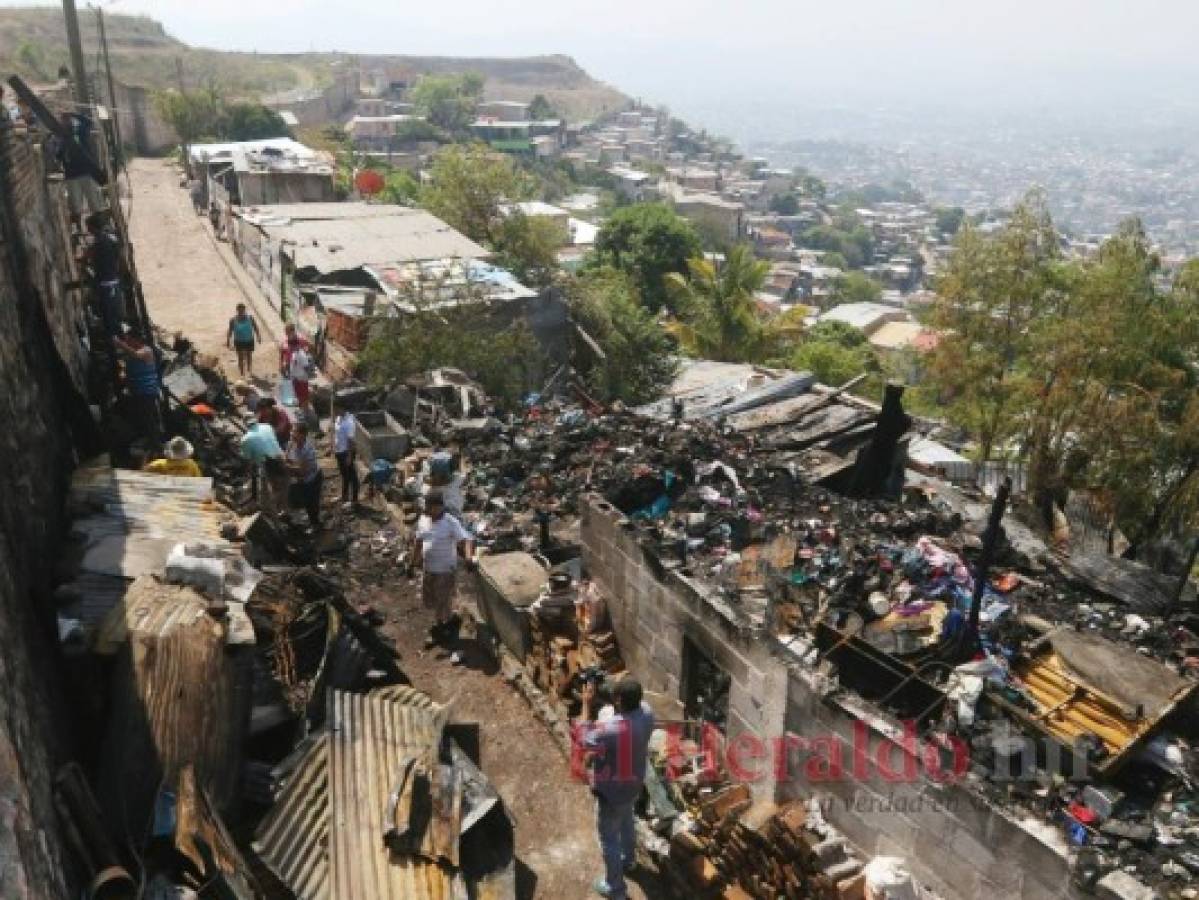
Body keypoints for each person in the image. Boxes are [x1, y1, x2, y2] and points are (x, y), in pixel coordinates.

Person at [576, 678, 655, 900]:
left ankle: (616, 889)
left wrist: (586, 703)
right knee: (627, 820)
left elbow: (582, 737)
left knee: (608, 838)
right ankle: (629, 860)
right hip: (634, 781)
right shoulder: (647, 712)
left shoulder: (611, 728)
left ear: (619, 701)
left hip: (611, 791)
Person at [411, 491, 474, 665]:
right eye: (428, 506)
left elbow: (466, 539)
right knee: (430, 600)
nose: (429, 509)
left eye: (432, 506)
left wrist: (468, 558)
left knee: (442, 601)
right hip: (428, 569)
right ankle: (445, 622)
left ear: (439, 507)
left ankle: (442, 630)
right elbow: (418, 542)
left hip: (445, 570)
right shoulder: (424, 521)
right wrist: (412, 563)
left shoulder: (450, 522)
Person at [114, 330, 162, 451]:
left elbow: (136, 355)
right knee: (142, 418)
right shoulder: (132, 354)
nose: (127, 342)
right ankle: (148, 442)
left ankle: (156, 445)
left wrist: (119, 343)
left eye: (129, 339)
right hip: (137, 392)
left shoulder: (147, 350)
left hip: (147, 392)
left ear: (137, 340)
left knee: (148, 419)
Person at [56, 111, 103, 228]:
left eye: (67, 120)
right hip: (71, 176)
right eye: (63, 120)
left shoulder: (79, 131)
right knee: (75, 208)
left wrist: (73, 113)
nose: (65, 122)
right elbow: (58, 156)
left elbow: (89, 122)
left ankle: (101, 228)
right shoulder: (60, 138)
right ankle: (78, 230)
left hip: (86, 173)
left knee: (95, 204)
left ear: (71, 120)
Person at [84, 211, 124, 337]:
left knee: (109, 319)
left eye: (88, 227)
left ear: (93, 228)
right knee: (115, 317)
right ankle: (118, 339)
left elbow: (87, 257)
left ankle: (114, 343)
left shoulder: (97, 243)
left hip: (106, 285)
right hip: (114, 282)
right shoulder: (111, 239)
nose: (87, 230)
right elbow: (118, 257)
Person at [240, 421, 288, 516]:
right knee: (284, 486)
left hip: (268, 465)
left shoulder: (245, 439)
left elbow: (248, 461)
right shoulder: (267, 426)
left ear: (246, 424)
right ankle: (284, 509)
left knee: (268, 493)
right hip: (281, 458)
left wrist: (249, 473)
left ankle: (272, 513)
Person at [285, 422, 322, 529]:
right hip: (300, 479)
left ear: (303, 435)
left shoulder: (307, 449)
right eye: (292, 431)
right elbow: (286, 457)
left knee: (312, 503)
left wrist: (287, 467)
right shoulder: (291, 443)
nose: (292, 433)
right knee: (300, 502)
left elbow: (303, 471)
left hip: (312, 479)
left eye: (295, 432)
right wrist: (288, 464)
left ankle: (315, 524)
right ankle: (305, 522)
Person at [226, 303, 262, 378]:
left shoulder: (250, 318)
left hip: (249, 340)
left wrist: (258, 336)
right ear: (237, 310)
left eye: (242, 310)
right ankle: (242, 374)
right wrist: (228, 341)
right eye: (239, 310)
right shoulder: (233, 320)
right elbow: (230, 331)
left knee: (249, 355)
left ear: (244, 310)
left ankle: (249, 370)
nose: (241, 312)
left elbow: (256, 328)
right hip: (239, 341)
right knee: (240, 357)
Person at [333, 410, 360, 508]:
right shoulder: (338, 418)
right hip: (339, 451)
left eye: (336, 407)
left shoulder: (349, 422)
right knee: (344, 475)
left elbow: (351, 441)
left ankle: (354, 500)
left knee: (353, 477)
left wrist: (349, 456)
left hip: (346, 453)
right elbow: (337, 434)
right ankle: (344, 496)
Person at [288, 342, 313, 416]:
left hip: (302, 379)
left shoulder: (302, 355)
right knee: (299, 395)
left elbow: (306, 367)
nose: (291, 347)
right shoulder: (294, 353)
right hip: (296, 378)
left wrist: (306, 377)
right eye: (290, 345)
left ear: (297, 345)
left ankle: (305, 411)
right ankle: (301, 409)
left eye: (292, 345)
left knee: (303, 396)